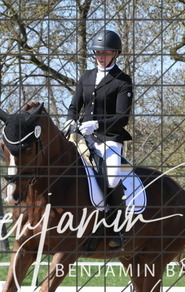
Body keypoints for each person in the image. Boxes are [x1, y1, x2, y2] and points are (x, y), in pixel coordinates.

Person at [64, 29, 133, 250]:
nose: (100, 57)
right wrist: (70, 120)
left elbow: (122, 117)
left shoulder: (122, 81)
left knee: (111, 179)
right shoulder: (86, 77)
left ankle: (117, 228)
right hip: (82, 136)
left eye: (105, 53)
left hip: (109, 138)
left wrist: (97, 125)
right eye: (98, 53)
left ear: (115, 54)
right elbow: (74, 106)